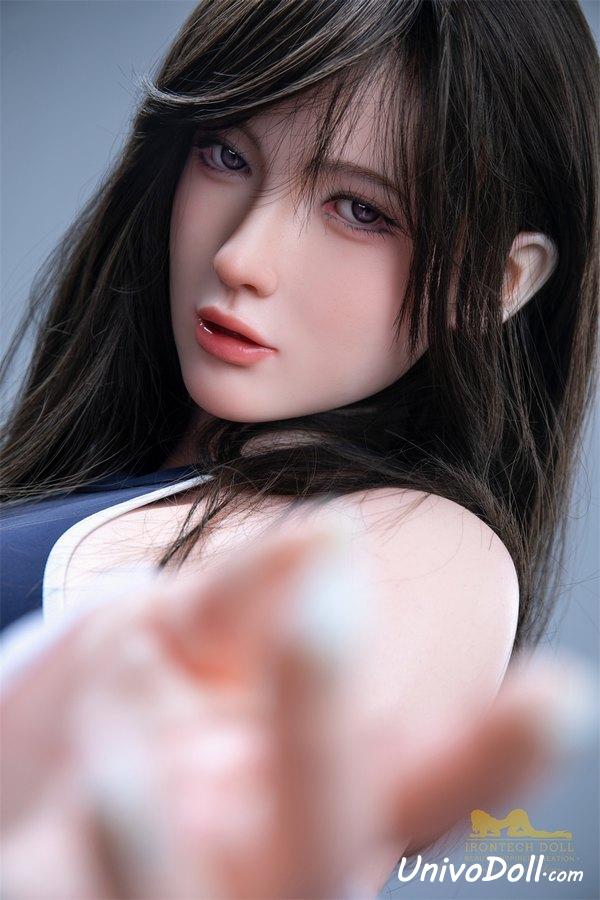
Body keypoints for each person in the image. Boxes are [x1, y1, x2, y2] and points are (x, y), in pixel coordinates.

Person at [0, 0, 598, 896]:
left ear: (494, 284)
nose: (242, 256)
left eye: (360, 209)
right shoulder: (104, 480)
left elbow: (236, 842)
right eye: (227, 154)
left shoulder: (423, 547)